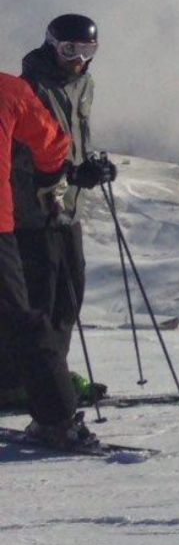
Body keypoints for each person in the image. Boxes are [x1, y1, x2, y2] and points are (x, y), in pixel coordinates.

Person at [9, 15, 114, 402]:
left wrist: (94, 168)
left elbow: (76, 140)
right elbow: (19, 155)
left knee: (69, 298)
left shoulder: (84, 84)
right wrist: (71, 173)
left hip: (70, 210)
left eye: (87, 51)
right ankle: (21, 383)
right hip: (33, 211)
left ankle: (52, 377)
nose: (78, 60)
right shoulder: (31, 87)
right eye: (71, 50)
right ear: (52, 45)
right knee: (40, 301)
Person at [0, 62, 95, 450]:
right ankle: (57, 420)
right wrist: (48, 178)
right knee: (20, 319)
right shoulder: (10, 91)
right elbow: (53, 142)